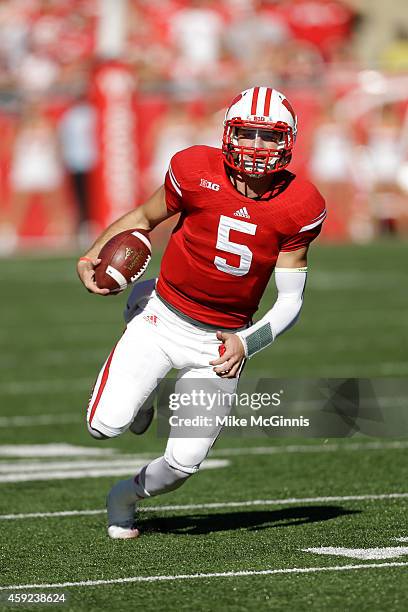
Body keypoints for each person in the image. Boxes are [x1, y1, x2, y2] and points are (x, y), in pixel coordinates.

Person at [77, 86, 326, 539]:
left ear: (289, 141)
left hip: (221, 342)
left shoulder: (301, 206)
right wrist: (93, 253)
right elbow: (143, 218)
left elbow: (291, 301)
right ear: (227, 133)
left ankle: (123, 497)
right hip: (163, 317)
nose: (255, 146)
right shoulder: (193, 168)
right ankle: (141, 307)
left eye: (268, 137)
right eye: (247, 133)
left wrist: (247, 342)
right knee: (102, 427)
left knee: (181, 466)